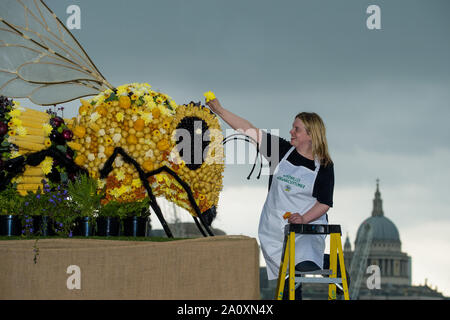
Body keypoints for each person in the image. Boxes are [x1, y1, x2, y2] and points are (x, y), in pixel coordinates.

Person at [206, 97, 335, 300]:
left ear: (311, 135)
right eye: (292, 127)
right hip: (276, 227)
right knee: (288, 280)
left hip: (306, 228)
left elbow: (325, 202)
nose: (291, 131)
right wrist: (220, 111)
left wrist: (303, 218)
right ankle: (324, 263)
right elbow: (249, 130)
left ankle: (327, 263)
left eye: (296, 129)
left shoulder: (325, 165)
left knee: (298, 269)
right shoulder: (280, 151)